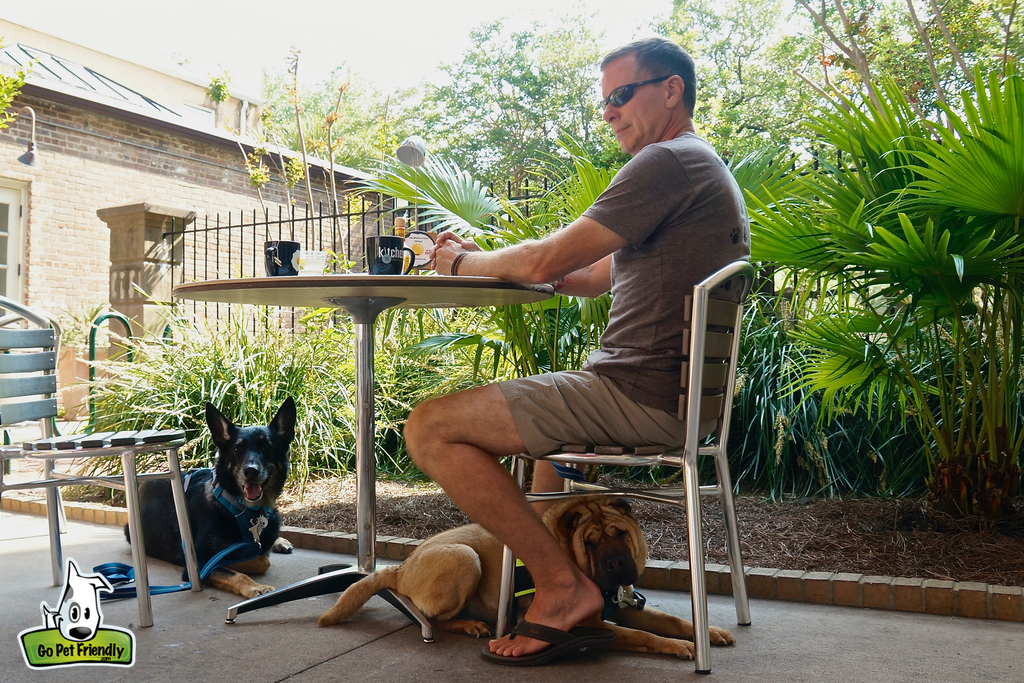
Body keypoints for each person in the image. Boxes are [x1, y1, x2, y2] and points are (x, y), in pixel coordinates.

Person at [407, 36, 750, 663]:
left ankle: (564, 587)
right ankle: (547, 582)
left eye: (622, 96)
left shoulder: (667, 162)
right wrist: (497, 261)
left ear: (671, 90)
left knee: (429, 427)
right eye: (604, 103)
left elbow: (544, 256)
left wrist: (459, 262)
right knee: (541, 463)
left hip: (632, 394)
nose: (610, 112)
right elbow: (582, 275)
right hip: (664, 396)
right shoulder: (699, 169)